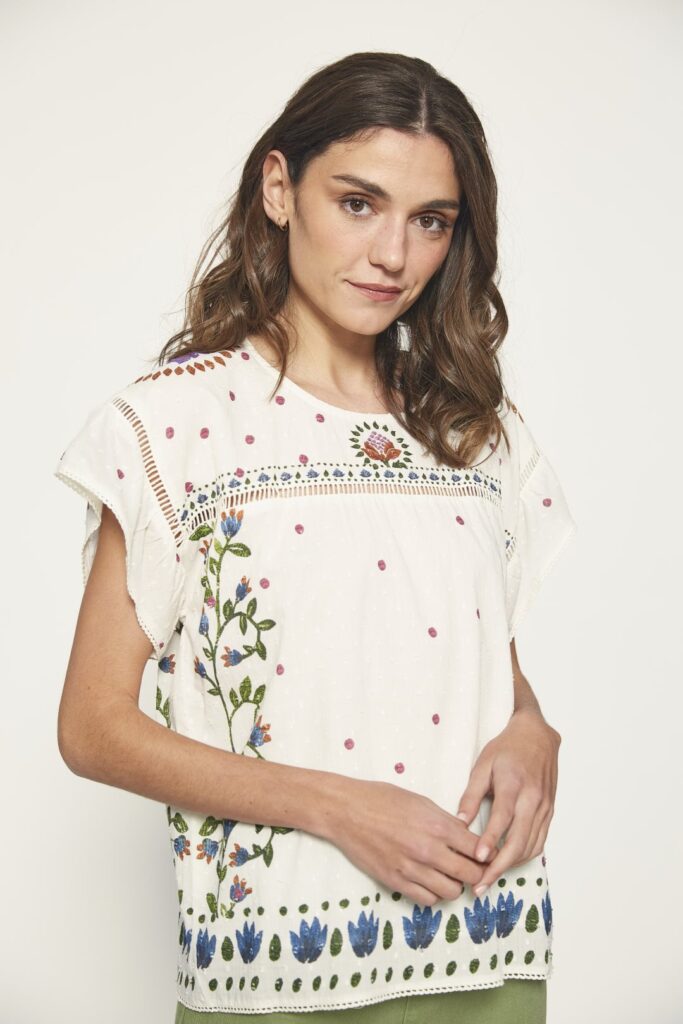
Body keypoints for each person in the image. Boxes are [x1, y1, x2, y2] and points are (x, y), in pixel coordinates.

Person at [54, 51, 577, 1024]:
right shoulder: (174, 427)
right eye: (358, 203)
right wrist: (337, 805)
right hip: (282, 966)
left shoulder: (472, 434)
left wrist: (530, 731)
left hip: (485, 945)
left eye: (431, 220)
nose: (393, 254)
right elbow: (91, 727)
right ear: (279, 188)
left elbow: (483, 663)